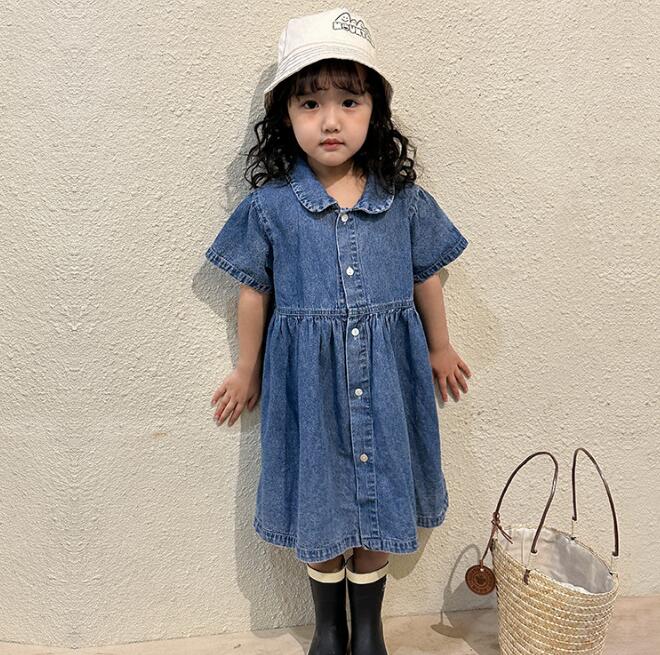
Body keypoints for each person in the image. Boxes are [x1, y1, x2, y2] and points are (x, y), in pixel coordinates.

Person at [205, 7, 471, 655]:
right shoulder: (270, 208)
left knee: (384, 493)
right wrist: (246, 368)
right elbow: (253, 291)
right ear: (285, 115)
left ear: (374, 110)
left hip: (388, 382)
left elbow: (426, 277)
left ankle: (369, 624)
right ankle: (329, 626)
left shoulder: (402, 200)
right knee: (318, 497)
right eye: (310, 103)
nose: (330, 120)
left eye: (349, 101)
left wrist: (440, 346)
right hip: (309, 389)